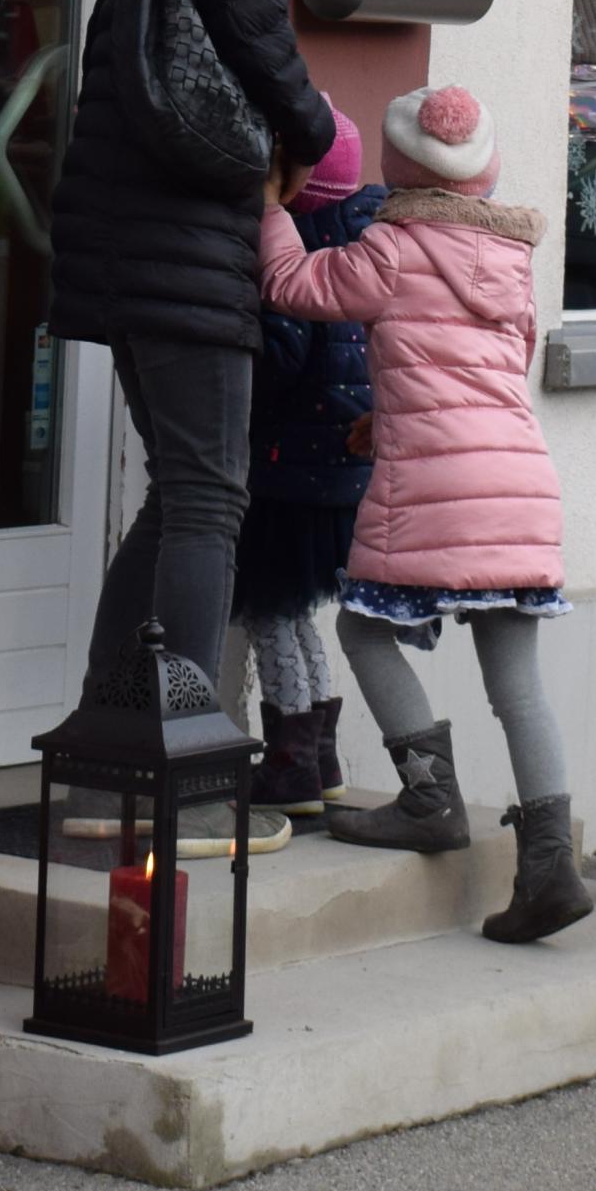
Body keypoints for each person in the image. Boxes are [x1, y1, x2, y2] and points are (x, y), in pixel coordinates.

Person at [46, 0, 352, 713]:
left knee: (183, 494)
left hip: (143, 209)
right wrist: (313, 128)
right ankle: (176, 752)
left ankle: (110, 740)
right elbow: (248, 9)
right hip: (178, 212)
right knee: (212, 498)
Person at [259, 83, 591, 944]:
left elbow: (292, 284)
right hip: (519, 487)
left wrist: (268, 206)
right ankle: (551, 865)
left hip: (436, 492)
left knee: (363, 630)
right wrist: (392, 414)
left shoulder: (392, 249)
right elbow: (488, 372)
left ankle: (430, 800)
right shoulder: (512, 259)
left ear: (399, 169)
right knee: (518, 687)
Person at [241, 107, 383, 817]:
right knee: (301, 617)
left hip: (285, 474)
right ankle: (322, 760)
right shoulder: (366, 243)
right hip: (339, 476)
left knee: (271, 614)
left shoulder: (292, 249)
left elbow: (281, 355)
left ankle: (289, 765)